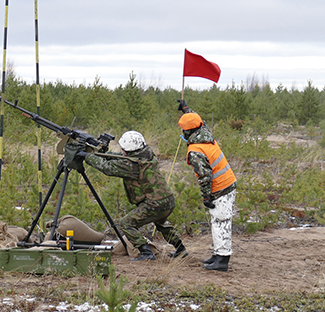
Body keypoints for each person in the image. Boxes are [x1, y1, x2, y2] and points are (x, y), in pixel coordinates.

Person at [70, 131, 188, 261]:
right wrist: (100, 154)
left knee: (126, 224)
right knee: (162, 224)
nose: (122, 151)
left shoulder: (132, 166)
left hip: (154, 203)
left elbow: (107, 168)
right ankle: (181, 249)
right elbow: (121, 158)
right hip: (167, 200)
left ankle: (146, 252)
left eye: (124, 149)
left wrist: (87, 157)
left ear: (129, 150)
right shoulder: (147, 155)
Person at [177, 99, 237, 272]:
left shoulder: (195, 150)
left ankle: (222, 260)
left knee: (221, 222)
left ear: (188, 131)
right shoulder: (204, 133)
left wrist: (206, 196)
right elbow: (196, 120)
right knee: (217, 221)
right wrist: (187, 109)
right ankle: (218, 255)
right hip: (227, 183)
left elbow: (204, 177)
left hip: (220, 188)